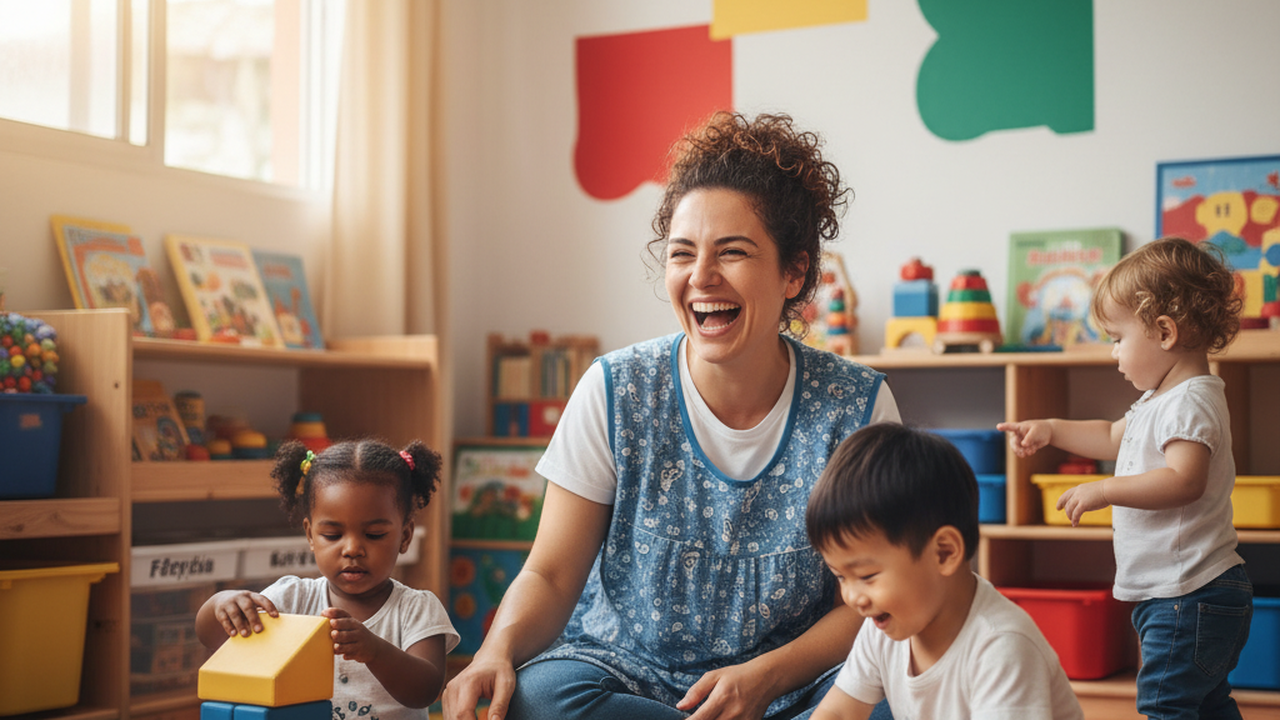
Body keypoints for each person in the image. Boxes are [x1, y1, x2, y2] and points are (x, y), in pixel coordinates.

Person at [443, 111, 901, 720]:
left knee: (899, 692)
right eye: (682, 253)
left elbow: (879, 593)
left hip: (797, 684)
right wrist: (492, 651)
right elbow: (552, 574)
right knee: (536, 700)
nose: (701, 277)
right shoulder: (615, 388)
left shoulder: (859, 407)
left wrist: (766, 677)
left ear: (794, 271)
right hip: (628, 673)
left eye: (732, 252)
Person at [997, 236, 1252, 719]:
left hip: (1189, 594)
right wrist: (1050, 429)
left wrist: (1105, 489)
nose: (1113, 353)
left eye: (1117, 338)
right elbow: (1112, 436)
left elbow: (1183, 480)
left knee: (1165, 704)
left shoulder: (1189, 401)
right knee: (1207, 704)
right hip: (1181, 594)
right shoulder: (1160, 400)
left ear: (1163, 332)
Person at [805, 423, 1083, 719]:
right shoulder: (884, 629)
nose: (852, 597)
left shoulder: (1001, 646)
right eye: (840, 577)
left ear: (944, 552)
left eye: (867, 576)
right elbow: (837, 713)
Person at [196, 438, 460, 720]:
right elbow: (212, 636)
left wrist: (375, 651)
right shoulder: (292, 597)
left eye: (374, 535)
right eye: (333, 535)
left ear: (405, 536)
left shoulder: (416, 609)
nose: (352, 549)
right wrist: (220, 603)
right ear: (310, 535)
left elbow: (426, 690)